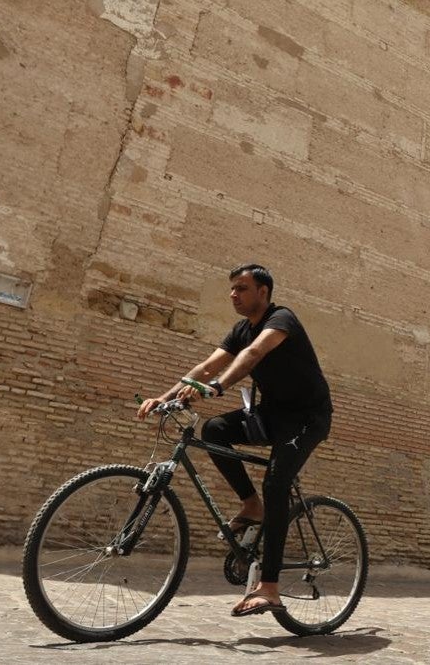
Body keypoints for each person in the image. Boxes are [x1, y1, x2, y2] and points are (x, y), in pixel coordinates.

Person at [138, 264, 332, 617]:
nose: (233, 294)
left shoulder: (281, 319)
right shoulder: (240, 330)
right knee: (214, 430)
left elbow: (253, 354)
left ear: (263, 292)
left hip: (307, 419)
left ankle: (269, 587)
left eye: (242, 288)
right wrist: (166, 398)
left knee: (276, 484)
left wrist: (217, 388)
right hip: (272, 416)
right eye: (232, 289)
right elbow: (206, 366)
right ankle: (250, 506)